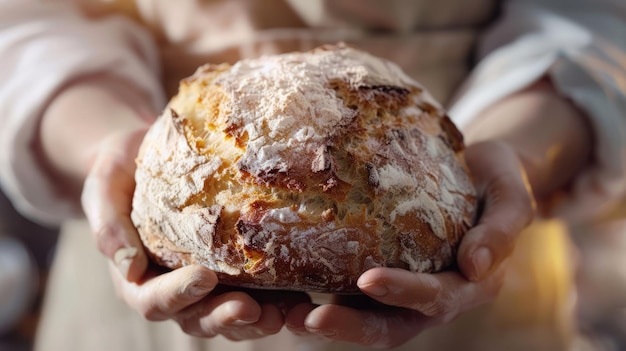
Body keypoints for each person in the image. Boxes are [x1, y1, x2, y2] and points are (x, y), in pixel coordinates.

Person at [0, 0, 624, 350]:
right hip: (162, 196)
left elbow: (597, 20)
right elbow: (26, 20)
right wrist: (105, 145)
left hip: (463, 206)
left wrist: (517, 150)